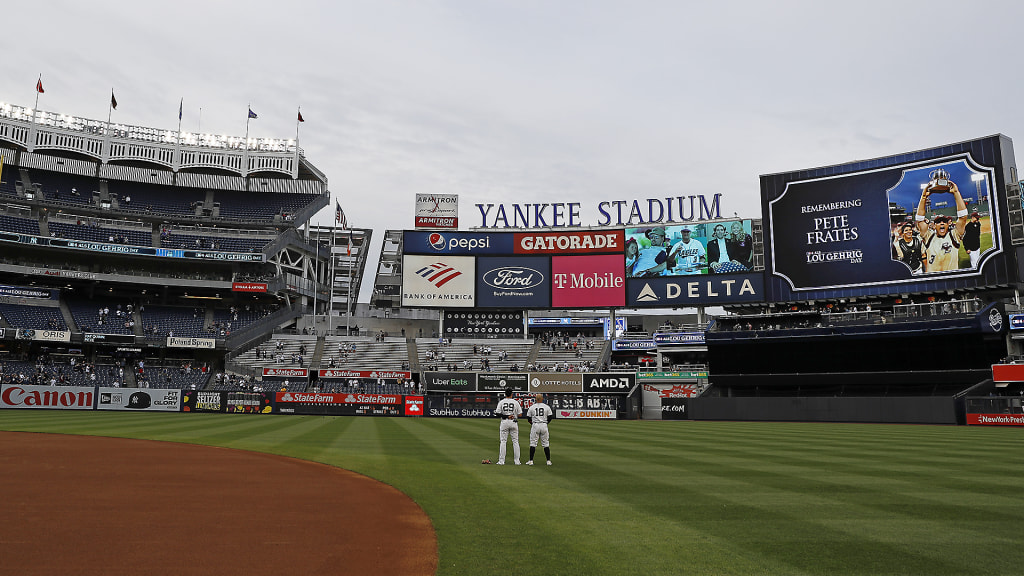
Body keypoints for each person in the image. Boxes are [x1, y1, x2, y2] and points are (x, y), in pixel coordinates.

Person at [915, 177, 969, 272]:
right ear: (934, 225)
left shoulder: (954, 235)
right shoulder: (929, 236)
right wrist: (923, 197)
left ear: (948, 224)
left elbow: (963, 217)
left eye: (944, 221)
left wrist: (956, 193)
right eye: (939, 222)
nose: (942, 223)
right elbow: (919, 220)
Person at [493, 388, 522, 465]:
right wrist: (513, 415)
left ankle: (501, 461)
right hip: (514, 422)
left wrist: (506, 416)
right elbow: (520, 414)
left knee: (503, 441)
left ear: (505, 394)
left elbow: (497, 413)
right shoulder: (515, 402)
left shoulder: (502, 402)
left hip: (504, 422)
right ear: (512, 394)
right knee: (515, 441)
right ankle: (517, 461)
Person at [525, 393, 554, 466]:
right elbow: (550, 417)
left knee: (533, 443)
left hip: (535, 425)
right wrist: (546, 423)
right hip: (544, 425)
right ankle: (548, 461)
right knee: (545, 444)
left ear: (535, 399)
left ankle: (531, 461)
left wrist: (533, 424)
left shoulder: (532, 407)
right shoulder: (546, 407)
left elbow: (528, 418)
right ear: (542, 399)